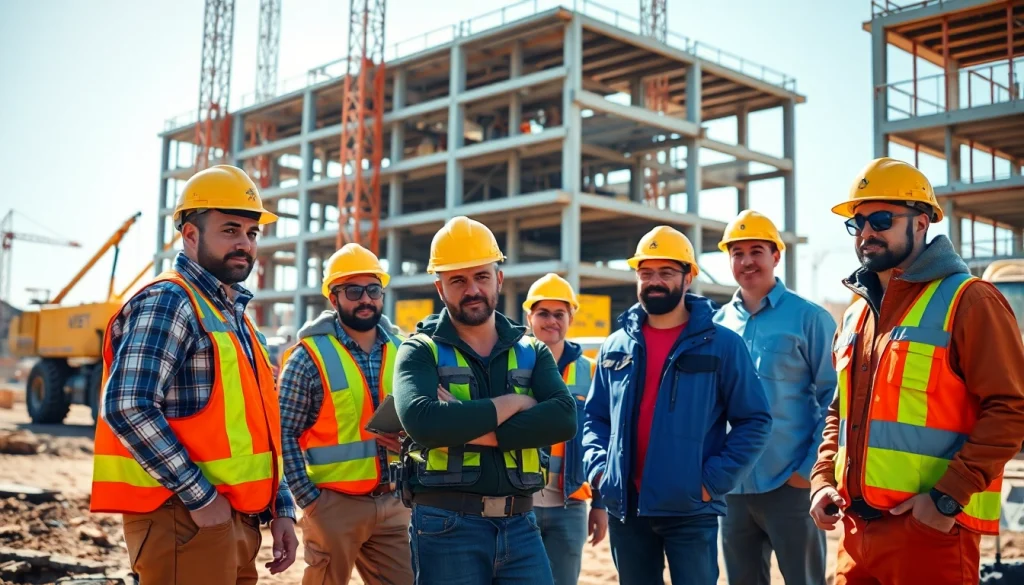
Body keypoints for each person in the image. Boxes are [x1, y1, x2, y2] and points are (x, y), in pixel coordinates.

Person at [808, 157, 1024, 584]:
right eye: (858, 223)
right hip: (855, 535)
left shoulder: (970, 300)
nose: (867, 232)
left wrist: (945, 499)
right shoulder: (856, 316)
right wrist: (822, 478)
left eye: (881, 219)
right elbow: (839, 411)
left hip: (929, 533)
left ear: (922, 222)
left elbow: (1010, 409)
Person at [90, 165, 298, 584]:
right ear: (190, 235)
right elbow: (127, 405)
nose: (244, 243)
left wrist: (281, 509)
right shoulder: (171, 300)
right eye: (230, 230)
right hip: (184, 518)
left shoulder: (236, 317)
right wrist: (201, 498)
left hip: (233, 518)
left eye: (252, 233)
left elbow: (261, 426)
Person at [392, 215, 578, 585]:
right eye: (457, 280)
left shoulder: (532, 350)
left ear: (499, 278)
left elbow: (563, 419)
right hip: (446, 526)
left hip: (522, 525)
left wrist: (462, 423)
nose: (472, 289)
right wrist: (514, 403)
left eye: (481, 276)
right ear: (440, 288)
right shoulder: (418, 350)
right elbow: (423, 422)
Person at [582, 225, 773, 585]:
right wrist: (599, 472)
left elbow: (755, 420)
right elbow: (594, 418)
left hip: (691, 509)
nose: (654, 281)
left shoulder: (722, 345)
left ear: (688, 278)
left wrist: (710, 482)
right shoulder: (615, 345)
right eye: (646, 273)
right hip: (627, 507)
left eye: (666, 273)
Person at [277, 243, 412, 585]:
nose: (365, 299)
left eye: (373, 289)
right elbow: (283, 432)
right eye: (353, 290)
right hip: (333, 506)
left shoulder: (404, 351)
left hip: (394, 503)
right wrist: (310, 501)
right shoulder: (308, 357)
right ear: (333, 298)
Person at [713, 210, 836, 585]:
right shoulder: (718, 325)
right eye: (737, 253)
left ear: (776, 256)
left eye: (756, 251)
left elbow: (836, 397)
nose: (747, 261)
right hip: (733, 488)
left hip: (791, 484)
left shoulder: (810, 318)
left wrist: (807, 473)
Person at [522, 273, 608, 585]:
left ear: (571, 317)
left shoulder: (590, 370)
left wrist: (599, 504)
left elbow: (602, 439)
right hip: (519, 501)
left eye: (559, 314)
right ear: (529, 316)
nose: (551, 321)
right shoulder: (511, 365)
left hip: (570, 504)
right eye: (543, 313)